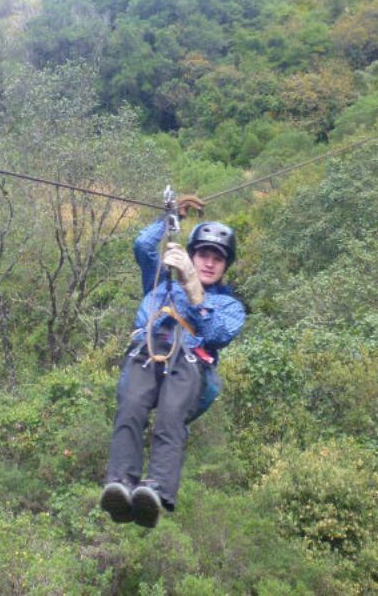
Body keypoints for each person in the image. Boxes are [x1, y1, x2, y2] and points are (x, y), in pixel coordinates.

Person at [100, 199, 245, 528]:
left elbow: (217, 333)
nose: (209, 263)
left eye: (217, 258)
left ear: (225, 266)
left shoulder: (229, 305)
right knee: (131, 407)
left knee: (170, 415)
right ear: (192, 255)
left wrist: (194, 288)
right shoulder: (162, 281)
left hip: (190, 361)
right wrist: (170, 218)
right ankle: (120, 483)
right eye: (203, 255)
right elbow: (143, 246)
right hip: (148, 350)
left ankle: (158, 490)